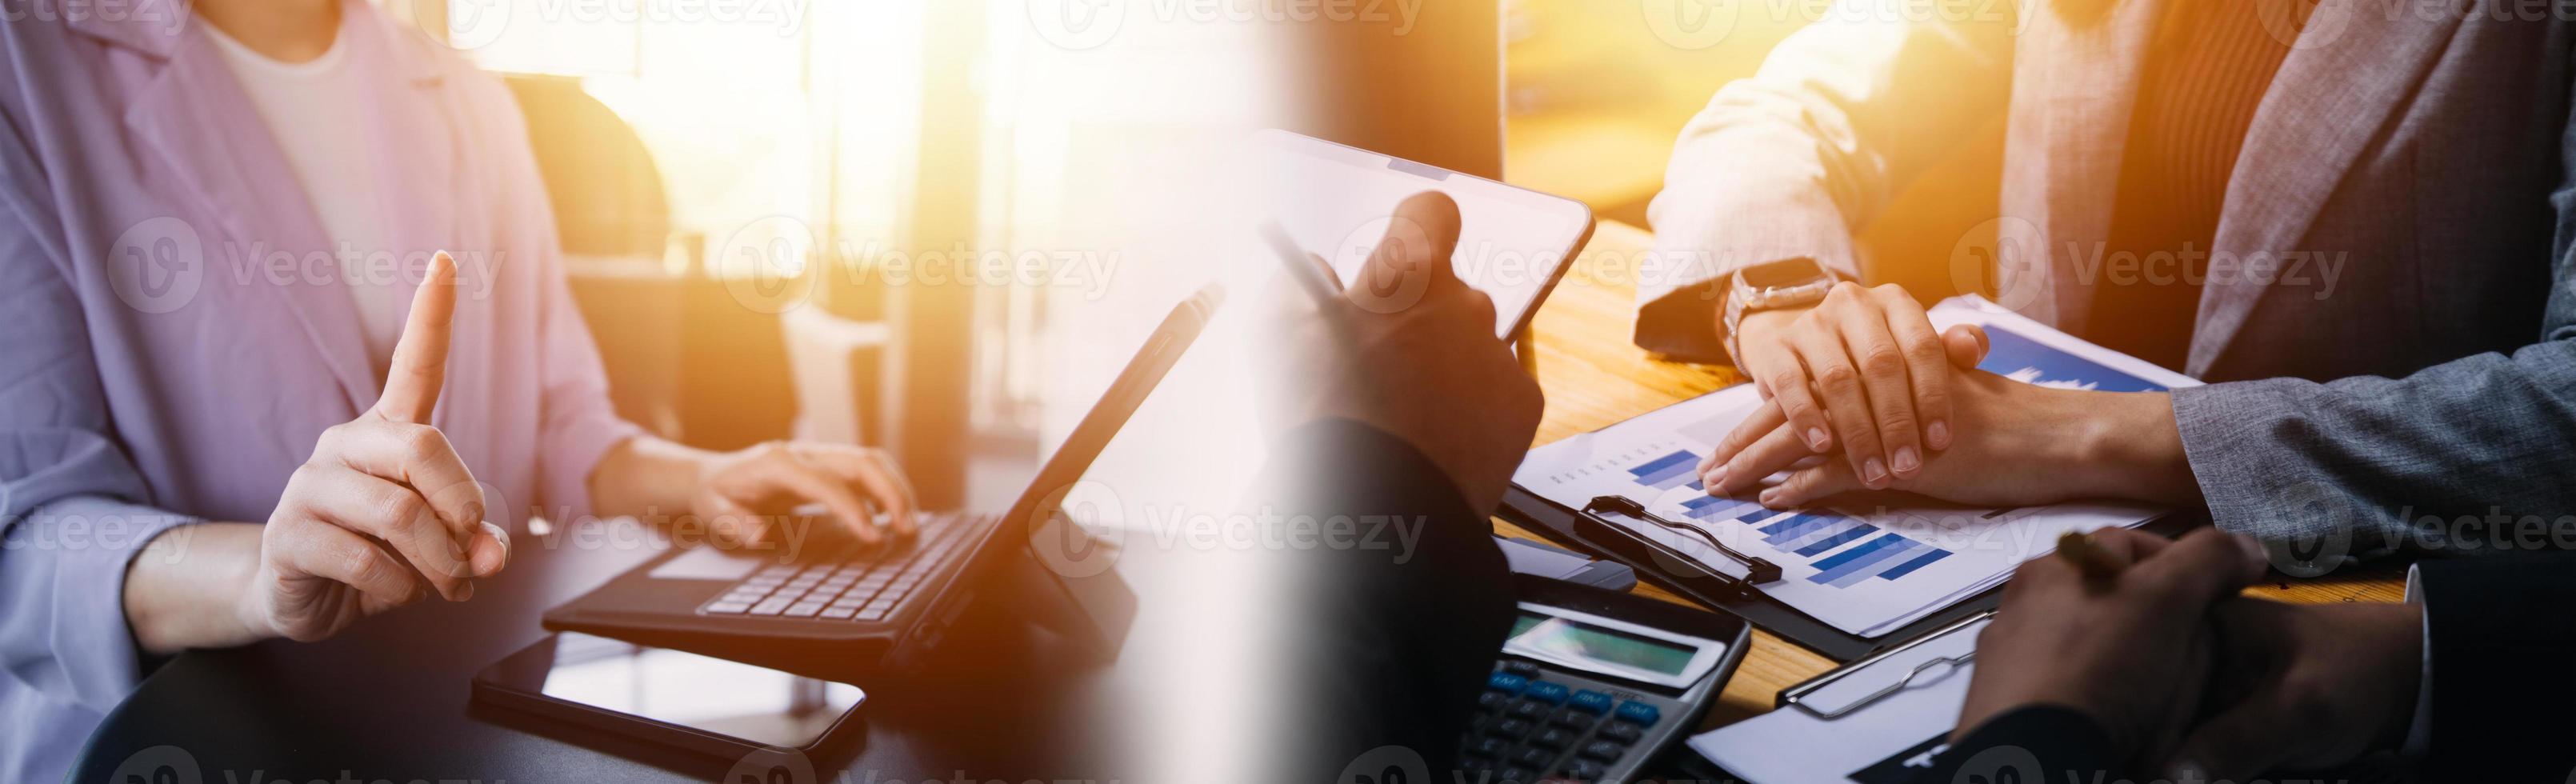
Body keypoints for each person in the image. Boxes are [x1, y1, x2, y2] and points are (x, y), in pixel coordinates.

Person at [0, 2, 917, 781]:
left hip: (469, 724)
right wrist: (262, 576)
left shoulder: (470, 99)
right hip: (180, 738)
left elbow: (563, 418)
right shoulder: (26, 64)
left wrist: (698, 476)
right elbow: (31, 536)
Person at [1640, 0, 2576, 558]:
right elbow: (1790, 109)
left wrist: (2079, 434)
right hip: (1996, 543)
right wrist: (1780, 290)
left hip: (2349, 604)